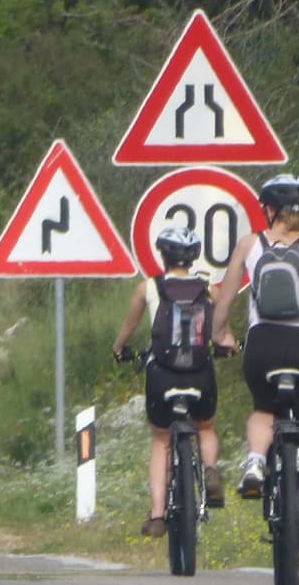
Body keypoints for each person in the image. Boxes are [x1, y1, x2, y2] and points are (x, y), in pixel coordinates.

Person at [210, 173, 299, 571]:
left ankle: (256, 459)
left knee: (263, 407)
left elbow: (224, 298)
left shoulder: (249, 244)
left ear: (269, 209)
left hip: (264, 345)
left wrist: (220, 334)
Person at [111, 225, 224, 538]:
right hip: (200, 373)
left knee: (161, 439)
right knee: (206, 427)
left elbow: (128, 327)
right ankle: (210, 469)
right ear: (193, 256)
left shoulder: (149, 288)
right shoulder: (208, 288)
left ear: (163, 254)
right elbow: (221, 328)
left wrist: (119, 349)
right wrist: (228, 345)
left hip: (162, 375)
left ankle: (158, 513)